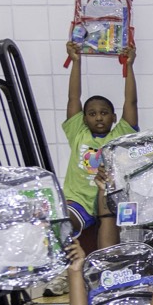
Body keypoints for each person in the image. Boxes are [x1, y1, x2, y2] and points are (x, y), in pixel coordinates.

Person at [62, 40, 137, 230]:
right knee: (63, 223)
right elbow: (73, 97)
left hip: (110, 200)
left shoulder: (120, 136)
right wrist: (76, 61)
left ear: (114, 117)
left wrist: (129, 66)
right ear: (84, 119)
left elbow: (131, 102)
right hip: (78, 202)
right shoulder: (78, 133)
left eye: (104, 113)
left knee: (121, 226)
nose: (98, 118)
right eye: (92, 114)